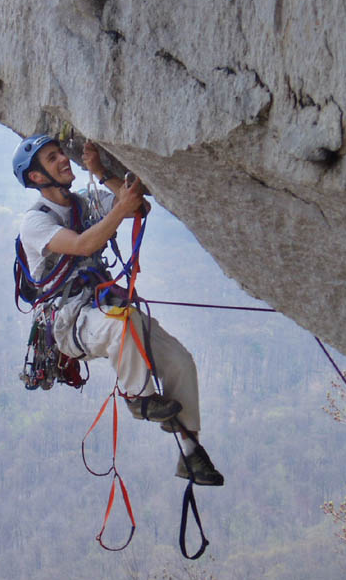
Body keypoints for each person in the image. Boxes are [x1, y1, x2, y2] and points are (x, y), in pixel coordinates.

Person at [13, 133, 224, 485]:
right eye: (52, 159)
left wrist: (99, 170)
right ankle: (136, 397)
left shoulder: (83, 205)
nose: (64, 160)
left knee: (179, 362)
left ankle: (190, 452)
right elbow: (83, 245)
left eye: (60, 154)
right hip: (69, 322)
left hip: (105, 306)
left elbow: (139, 207)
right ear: (36, 177)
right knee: (120, 325)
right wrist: (121, 208)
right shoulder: (35, 222)